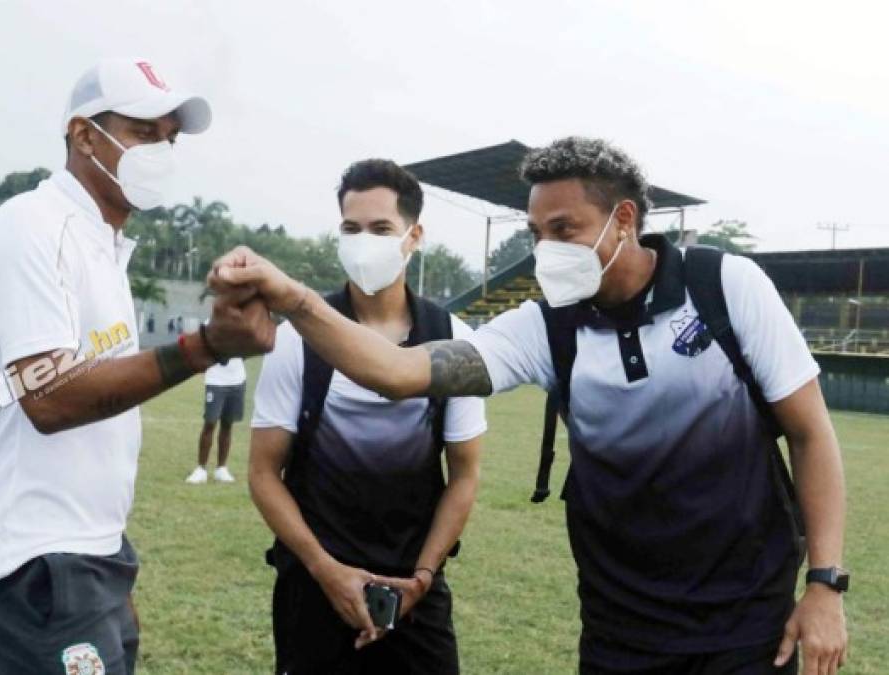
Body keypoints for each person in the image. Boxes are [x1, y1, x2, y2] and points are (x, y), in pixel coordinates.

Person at [210, 137, 849, 674]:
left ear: (624, 219)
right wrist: (295, 299)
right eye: (537, 232)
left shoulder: (724, 288)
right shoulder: (548, 328)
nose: (547, 249)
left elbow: (812, 434)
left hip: (749, 625)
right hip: (617, 630)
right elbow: (402, 373)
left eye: (564, 229)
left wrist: (824, 584)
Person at [0, 57, 273, 674]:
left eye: (169, 138)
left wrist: (113, 566)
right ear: (82, 134)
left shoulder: (102, 242)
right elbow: (49, 398)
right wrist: (203, 348)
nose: (160, 150)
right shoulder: (33, 224)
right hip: (32, 560)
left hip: (89, 554)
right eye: (143, 131)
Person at [248, 159, 485, 674]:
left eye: (381, 229)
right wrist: (323, 568)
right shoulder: (298, 339)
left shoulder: (455, 341)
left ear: (413, 235)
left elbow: (464, 475)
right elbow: (264, 472)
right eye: (351, 229)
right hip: (313, 586)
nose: (363, 241)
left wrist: (423, 576)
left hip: (414, 590)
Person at [185, 357, 247, 484]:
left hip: (237, 380)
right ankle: (201, 469)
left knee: (227, 424)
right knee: (210, 423)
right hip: (215, 380)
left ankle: (221, 468)